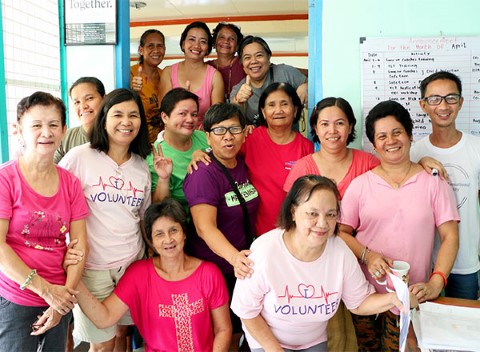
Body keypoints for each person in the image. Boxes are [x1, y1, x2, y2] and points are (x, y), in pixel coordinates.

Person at [231, 175, 412, 352]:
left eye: (331, 214)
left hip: (313, 341)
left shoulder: (340, 252)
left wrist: (393, 299)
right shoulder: (265, 251)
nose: (322, 223)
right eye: (312, 213)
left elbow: (358, 303)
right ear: (293, 212)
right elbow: (246, 311)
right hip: (267, 340)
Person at [338, 100, 459, 351]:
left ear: (410, 135)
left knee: (404, 348)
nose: (390, 141)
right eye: (382, 136)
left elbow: (449, 236)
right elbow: (341, 232)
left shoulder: (433, 182)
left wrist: (437, 282)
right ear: (373, 144)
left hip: (412, 294)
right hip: (365, 295)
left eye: (397, 132)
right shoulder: (361, 185)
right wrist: (367, 255)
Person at [72, 199, 232, 351]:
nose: (168, 239)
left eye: (173, 230)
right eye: (159, 234)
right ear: (151, 241)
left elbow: (223, 329)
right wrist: (74, 280)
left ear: (184, 233)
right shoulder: (139, 275)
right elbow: (104, 318)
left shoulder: (209, 274)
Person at [59, 88, 152, 352]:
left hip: (131, 265)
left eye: (134, 115)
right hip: (92, 268)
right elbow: (56, 201)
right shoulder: (80, 157)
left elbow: (143, 218)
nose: (126, 122)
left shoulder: (141, 166)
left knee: (122, 332)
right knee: (102, 344)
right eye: (118, 114)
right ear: (104, 119)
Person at [0, 91, 89, 351]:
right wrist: (45, 290)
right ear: (18, 130)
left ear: (63, 130)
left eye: (53, 125)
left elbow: (80, 244)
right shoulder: (6, 179)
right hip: (17, 296)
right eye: (36, 125)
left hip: (61, 296)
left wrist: (63, 298)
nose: (46, 132)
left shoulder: (70, 182)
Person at [183, 103, 260, 351]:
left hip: (239, 268)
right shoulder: (203, 173)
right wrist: (234, 258)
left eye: (234, 129)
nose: (228, 136)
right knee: (218, 336)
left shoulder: (242, 163)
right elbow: (205, 228)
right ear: (207, 135)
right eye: (219, 130)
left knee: (236, 331)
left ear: (244, 131)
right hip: (215, 269)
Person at [411, 71, 480, 300]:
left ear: (460, 103)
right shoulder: (414, 152)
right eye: (434, 99)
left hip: (465, 263)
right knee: (421, 330)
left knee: (461, 331)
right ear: (423, 105)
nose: (443, 105)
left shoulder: (476, 148)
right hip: (423, 263)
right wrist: (420, 162)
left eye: (451, 98)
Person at [243, 83, 313, 235]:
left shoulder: (307, 147)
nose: (278, 110)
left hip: (295, 232)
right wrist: (200, 153)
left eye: (284, 104)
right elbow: (222, 154)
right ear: (263, 111)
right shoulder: (250, 139)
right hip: (257, 234)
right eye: (271, 105)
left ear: (295, 110)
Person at [146, 88, 210, 212]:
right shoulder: (156, 156)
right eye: (182, 114)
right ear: (165, 117)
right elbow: (158, 207)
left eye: (194, 114)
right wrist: (164, 179)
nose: (190, 120)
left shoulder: (204, 137)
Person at [159, 21, 224, 129]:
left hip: (203, 138)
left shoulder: (215, 76)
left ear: (208, 48)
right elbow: (164, 111)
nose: (197, 45)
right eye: (191, 39)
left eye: (203, 41)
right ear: (183, 43)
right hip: (173, 136)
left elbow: (216, 117)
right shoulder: (168, 72)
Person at [231, 36, 307, 126]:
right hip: (257, 139)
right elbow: (229, 121)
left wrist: (306, 86)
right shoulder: (238, 90)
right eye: (247, 58)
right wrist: (237, 101)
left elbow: (316, 84)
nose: (254, 61)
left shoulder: (284, 72)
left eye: (259, 55)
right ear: (242, 64)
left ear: (268, 56)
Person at [54, 77, 106, 164]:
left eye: (89, 98)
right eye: (77, 102)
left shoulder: (116, 136)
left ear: (104, 99)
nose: (83, 106)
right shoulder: (66, 137)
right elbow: (52, 170)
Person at [131, 29, 166, 144]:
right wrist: (132, 92)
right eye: (150, 46)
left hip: (160, 142)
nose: (156, 50)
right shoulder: (131, 74)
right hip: (136, 141)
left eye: (160, 46)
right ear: (141, 50)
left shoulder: (165, 75)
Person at [207, 22, 245, 102]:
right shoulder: (206, 67)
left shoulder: (245, 63)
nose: (226, 41)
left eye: (231, 38)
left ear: (238, 45)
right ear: (215, 41)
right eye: (222, 37)